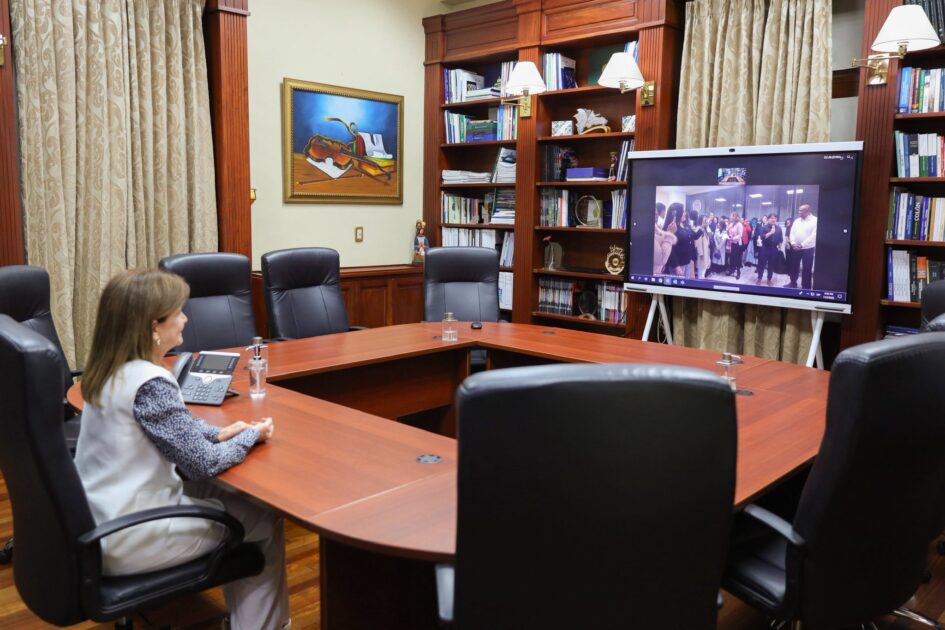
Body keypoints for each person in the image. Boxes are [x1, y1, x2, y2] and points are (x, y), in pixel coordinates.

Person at [75, 269, 290, 630]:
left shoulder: (109, 370)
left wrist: (220, 433)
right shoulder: (151, 382)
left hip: (98, 520)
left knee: (235, 498)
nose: (185, 319)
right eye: (177, 312)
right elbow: (203, 463)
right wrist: (250, 436)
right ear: (153, 327)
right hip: (133, 535)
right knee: (264, 519)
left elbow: (169, 428)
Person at [786, 204, 817, 289]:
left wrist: (802, 245)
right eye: (799, 210)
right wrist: (793, 243)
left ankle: (806, 286)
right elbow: (792, 233)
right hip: (796, 248)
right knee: (794, 266)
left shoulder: (815, 220)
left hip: (808, 248)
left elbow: (814, 236)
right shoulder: (797, 221)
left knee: (807, 268)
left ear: (807, 211)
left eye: (801, 211)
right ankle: (793, 283)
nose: (799, 212)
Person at [755, 214, 783, 286]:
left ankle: (769, 279)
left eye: (775, 218)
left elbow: (780, 239)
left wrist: (779, 246)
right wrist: (771, 232)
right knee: (761, 264)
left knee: (771, 265)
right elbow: (762, 237)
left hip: (774, 249)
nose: (773, 219)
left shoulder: (779, 228)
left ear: (776, 219)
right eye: (771, 218)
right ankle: (759, 278)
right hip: (765, 248)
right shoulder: (764, 228)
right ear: (768, 219)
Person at [653, 203, 677, 275]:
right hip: (652, 273)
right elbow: (661, 258)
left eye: (656, 210)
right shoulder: (647, 229)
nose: (656, 213)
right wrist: (670, 233)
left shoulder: (656, 227)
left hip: (658, 270)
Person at [726, 214, 744, 278]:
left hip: (737, 244)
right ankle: (731, 270)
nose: (731, 217)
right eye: (731, 216)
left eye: (732, 216)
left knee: (737, 259)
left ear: (736, 217)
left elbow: (740, 235)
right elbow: (727, 230)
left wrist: (733, 238)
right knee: (732, 258)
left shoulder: (739, 224)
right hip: (731, 243)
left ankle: (738, 273)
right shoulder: (732, 224)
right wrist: (728, 227)